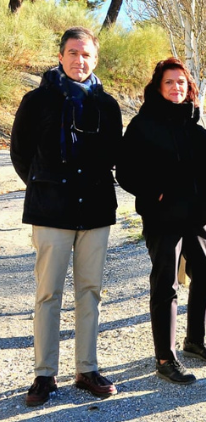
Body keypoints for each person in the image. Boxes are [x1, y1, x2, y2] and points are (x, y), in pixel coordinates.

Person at [10, 27, 122, 406]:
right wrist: (44, 187)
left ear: (96, 59)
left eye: (86, 54)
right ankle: (44, 374)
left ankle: (86, 369)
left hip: (95, 211)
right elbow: (21, 154)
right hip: (50, 212)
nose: (79, 60)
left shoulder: (107, 105)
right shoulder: (37, 100)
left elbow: (115, 156)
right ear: (61, 57)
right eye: (73, 53)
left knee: (90, 292)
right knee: (49, 293)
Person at [116, 58, 206, 385]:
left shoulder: (196, 119)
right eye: (169, 82)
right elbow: (125, 171)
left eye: (181, 82)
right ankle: (165, 357)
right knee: (167, 283)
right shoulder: (143, 124)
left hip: (198, 214)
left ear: (188, 86)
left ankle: (194, 341)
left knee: (205, 273)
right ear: (158, 87)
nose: (176, 87)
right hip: (162, 216)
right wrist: (156, 194)